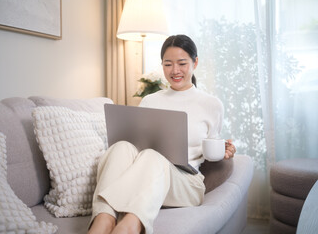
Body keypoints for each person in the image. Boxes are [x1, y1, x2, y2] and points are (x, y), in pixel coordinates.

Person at [88, 34, 236, 234]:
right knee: (121, 147)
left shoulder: (212, 105)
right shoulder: (149, 100)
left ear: (195, 62)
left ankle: (130, 226)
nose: (175, 71)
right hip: (145, 175)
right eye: (168, 64)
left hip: (185, 183)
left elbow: (211, 150)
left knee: (152, 156)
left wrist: (224, 150)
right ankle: (103, 220)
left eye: (182, 63)